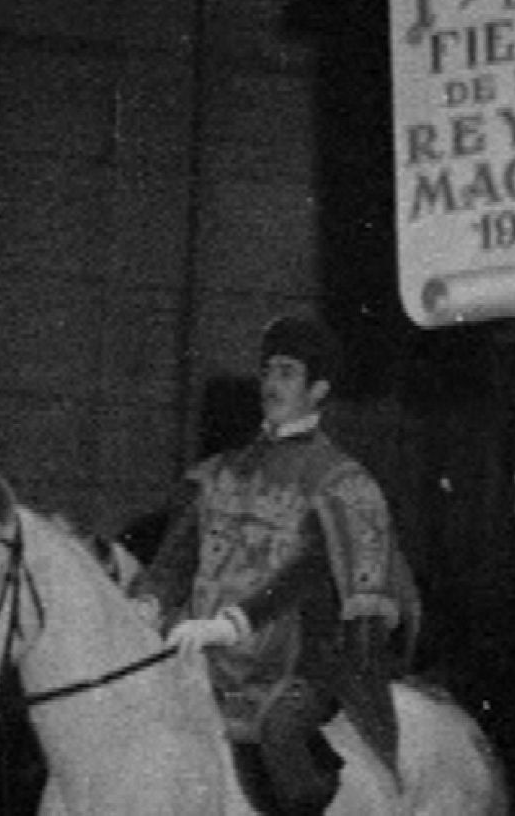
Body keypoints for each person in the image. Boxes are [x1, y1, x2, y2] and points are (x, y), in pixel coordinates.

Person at [129, 315, 418, 815]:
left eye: (286, 373)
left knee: (280, 732)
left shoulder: (340, 482)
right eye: (267, 372)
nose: (271, 384)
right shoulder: (220, 473)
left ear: (318, 389)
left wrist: (231, 623)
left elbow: (306, 572)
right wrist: (148, 603)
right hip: (207, 656)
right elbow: (178, 556)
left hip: (303, 662)